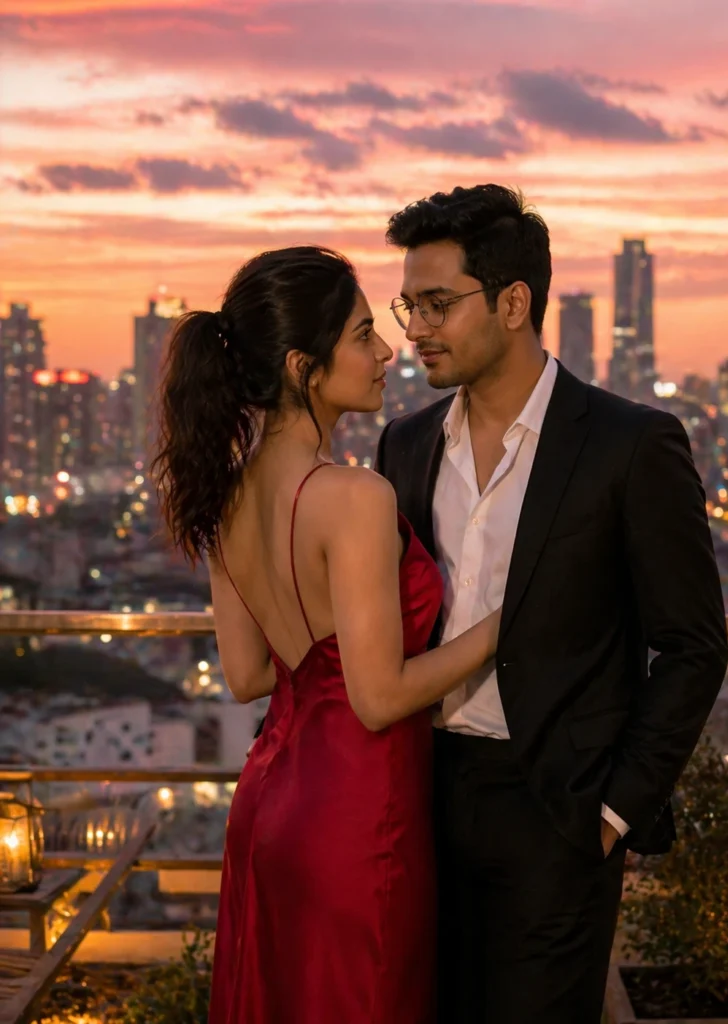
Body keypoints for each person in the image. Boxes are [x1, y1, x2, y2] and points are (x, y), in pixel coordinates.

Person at [375, 185, 728, 1023]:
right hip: (421, 798)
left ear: (511, 304)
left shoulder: (629, 443)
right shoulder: (406, 444)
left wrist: (611, 813)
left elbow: (692, 645)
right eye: (407, 307)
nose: (415, 329)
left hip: (558, 812)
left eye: (435, 304)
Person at [152, 246, 501, 1024]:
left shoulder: (227, 494)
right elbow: (378, 700)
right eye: (363, 335)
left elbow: (245, 675)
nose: (386, 353)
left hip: (271, 811)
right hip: (357, 816)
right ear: (305, 368)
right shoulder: (353, 496)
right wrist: (505, 627)